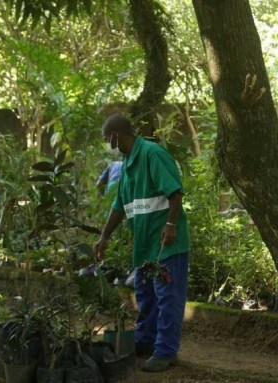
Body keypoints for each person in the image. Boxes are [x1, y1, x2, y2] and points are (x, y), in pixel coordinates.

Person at [93, 114, 190, 373]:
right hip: (145, 244)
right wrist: (104, 236)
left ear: (115, 136)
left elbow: (175, 192)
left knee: (168, 298)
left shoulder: (152, 154)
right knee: (146, 296)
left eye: (106, 140)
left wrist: (170, 225)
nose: (107, 144)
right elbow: (119, 206)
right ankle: (146, 341)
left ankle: (166, 352)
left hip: (167, 242)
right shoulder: (127, 164)